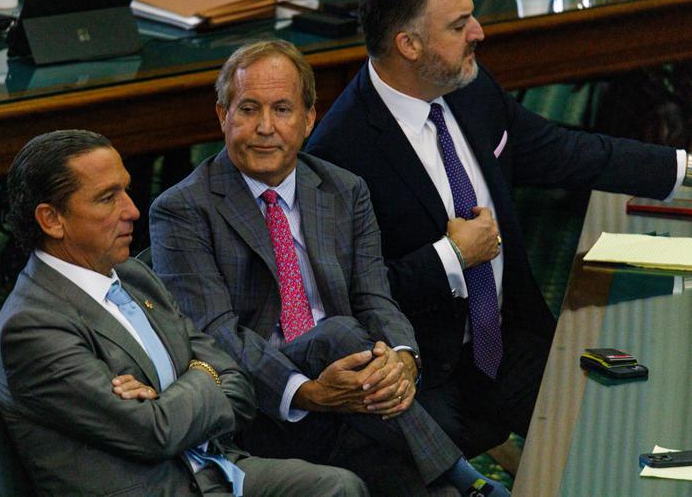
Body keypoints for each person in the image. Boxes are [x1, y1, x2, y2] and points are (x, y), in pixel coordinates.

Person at [306, 0, 692, 459]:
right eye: (459, 25)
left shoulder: (469, 88)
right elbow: (345, 297)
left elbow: (567, 153)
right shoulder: (339, 152)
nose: (479, 32)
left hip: (507, 337)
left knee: (627, 423)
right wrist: (451, 257)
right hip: (422, 372)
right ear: (408, 45)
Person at [150, 40, 508, 496]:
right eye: (248, 110)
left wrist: (401, 356)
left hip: (357, 394)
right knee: (339, 334)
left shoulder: (344, 189)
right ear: (223, 116)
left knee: (418, 485)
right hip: (263, 404)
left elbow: (374, 297)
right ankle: (464, 475)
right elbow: (217, 335)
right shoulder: (183, 209)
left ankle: (452, 483)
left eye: (282, 109)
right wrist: (305, 391)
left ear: (308, 119)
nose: (265, 128)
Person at [0, 130, 367, 496]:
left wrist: (172, 394)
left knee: (339, 487)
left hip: (215, 471)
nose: (133, 210)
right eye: (107, 199)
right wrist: (200, 375)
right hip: (152, 487)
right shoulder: (31, 326)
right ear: (52, 219)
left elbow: (237, 381)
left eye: (126, 190)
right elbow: (153, 432)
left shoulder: (135, 276)